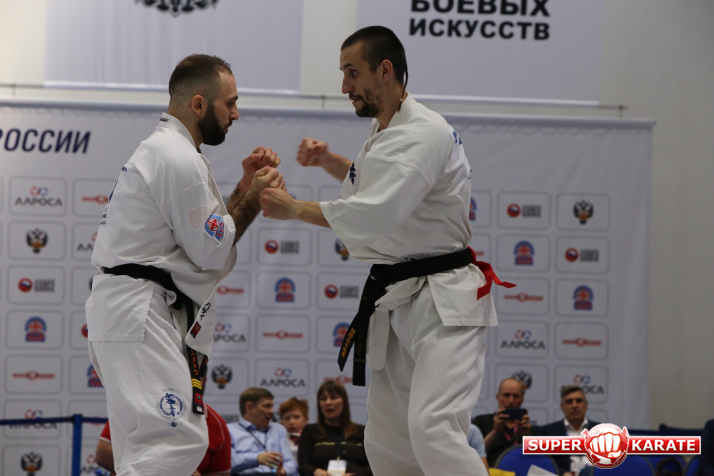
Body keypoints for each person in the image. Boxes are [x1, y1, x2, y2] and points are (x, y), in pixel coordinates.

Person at [259, 25, 510, 476]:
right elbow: (381, 185)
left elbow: (377, 212)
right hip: (399, 296)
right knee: (387, 441)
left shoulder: (423, 132)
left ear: (386, 70)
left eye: (352, 73)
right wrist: (330, 161)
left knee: (433, 428)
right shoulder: (388, 129)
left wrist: (294, 208)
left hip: (443, 296)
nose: (344, 86)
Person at [85, 53, 284, 476]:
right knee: (177, 439)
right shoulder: (177, 157)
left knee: (145, 447)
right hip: (139, 312)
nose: (235, 114)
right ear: (198, 104)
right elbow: (211, 252)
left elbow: (209, 237)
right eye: (230, 103)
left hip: (129, 310)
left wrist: (246, 187)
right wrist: (255, 198)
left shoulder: (169, 152)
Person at [95, 378, 232, 476]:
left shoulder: (215, 422)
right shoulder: (138, 408)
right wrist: (158, 468)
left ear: (203, 381)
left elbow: (221, 472)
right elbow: (102, 453)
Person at [297, 380, 372, 476]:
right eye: (323, 399)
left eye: (333, 397)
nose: (328, 402)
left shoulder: (361, 431)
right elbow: (303, 465)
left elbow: (373, 465)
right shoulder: (310, 431)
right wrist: (316, 472)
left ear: (344, 401)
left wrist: (355, 475)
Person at [227, 388, 298, 476]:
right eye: (267, 406)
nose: (272, 411)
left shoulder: (278, 429)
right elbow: (227, 464)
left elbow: (290, 461)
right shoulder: (229, 430)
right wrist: (257, 459)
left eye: (272, 406)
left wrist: (285, 470)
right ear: (249, 408)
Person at [534, 385, 599, 476]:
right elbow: (542, 463)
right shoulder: (549, 432)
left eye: (579, 401)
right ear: (562, 406)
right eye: (569, 402)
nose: (574, 405)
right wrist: (562, 473)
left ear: (586, 405)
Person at [473, 378, 533, 468]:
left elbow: (542, 461)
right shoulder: (481, 421)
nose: (511, 401)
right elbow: (472, 455)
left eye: (516, 396)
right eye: (506, 395)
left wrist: (527, 436)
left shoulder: (528, 429)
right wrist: (495, 431)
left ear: (522, 398)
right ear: (498, 397)